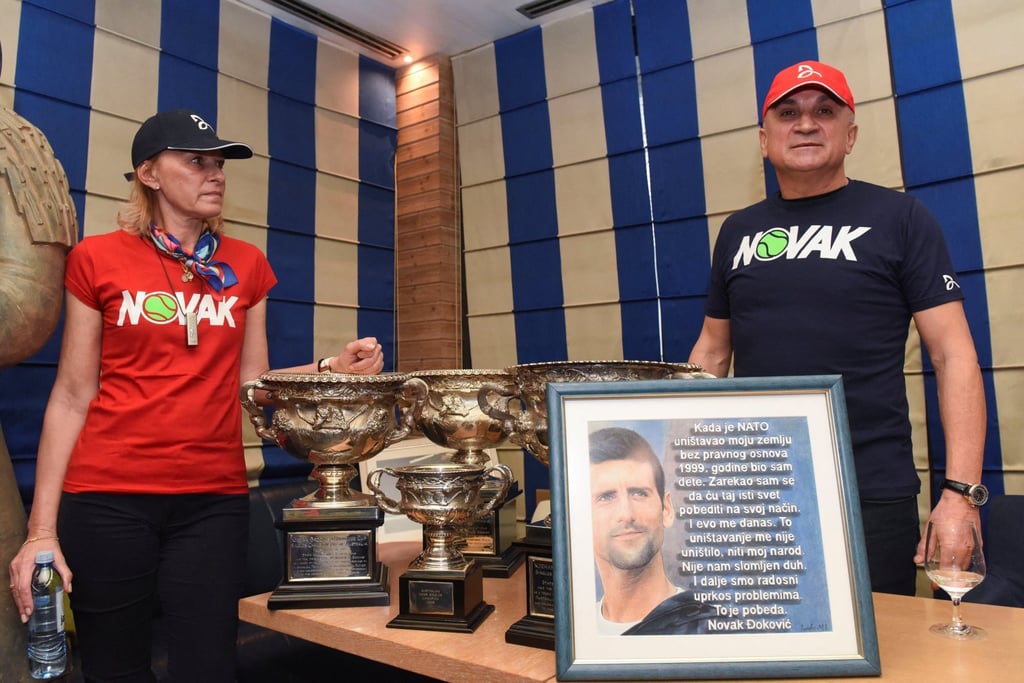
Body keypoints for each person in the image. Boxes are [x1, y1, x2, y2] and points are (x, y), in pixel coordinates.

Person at [7, 108, 384, 682]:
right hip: (107, 497)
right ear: (150, 174)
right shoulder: (96, 258)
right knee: (114, 668)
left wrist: (332, 368)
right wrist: (41, 532)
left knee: (209, 666)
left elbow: (252, 385)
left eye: (219, 164)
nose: (215, 175)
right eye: (196, 161)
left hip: (212, 500)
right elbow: (71, 395)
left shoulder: (246, 265)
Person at [688, 61, 987, 596]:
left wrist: (961, 494)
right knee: (763, 643)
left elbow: (952, 356)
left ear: (850, 135)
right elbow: (711, 353)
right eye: (788, 112)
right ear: (764, 139)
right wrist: (681, 467)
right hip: (757, 489)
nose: (805, 123)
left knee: (879, 656)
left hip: (869, 488)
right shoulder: (738, 231)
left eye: (824, 111)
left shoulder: (902, 218)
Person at [589, 427, 715, 635]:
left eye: (639, 493)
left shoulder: (711, 630)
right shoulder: (577, 632)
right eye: (606, 497)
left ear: (666, 509)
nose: (626, 514)